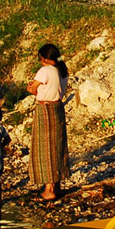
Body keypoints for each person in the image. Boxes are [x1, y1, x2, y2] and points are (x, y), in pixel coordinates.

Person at [26, 42, 69, 203]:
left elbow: (32, 89)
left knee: (45, 148)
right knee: (57, 145)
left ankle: (49, 189)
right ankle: (56, 184)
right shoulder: (62, 70)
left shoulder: (45, 70)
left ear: (44, 58)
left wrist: (31, 87)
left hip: (45, 109)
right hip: (58, 108)